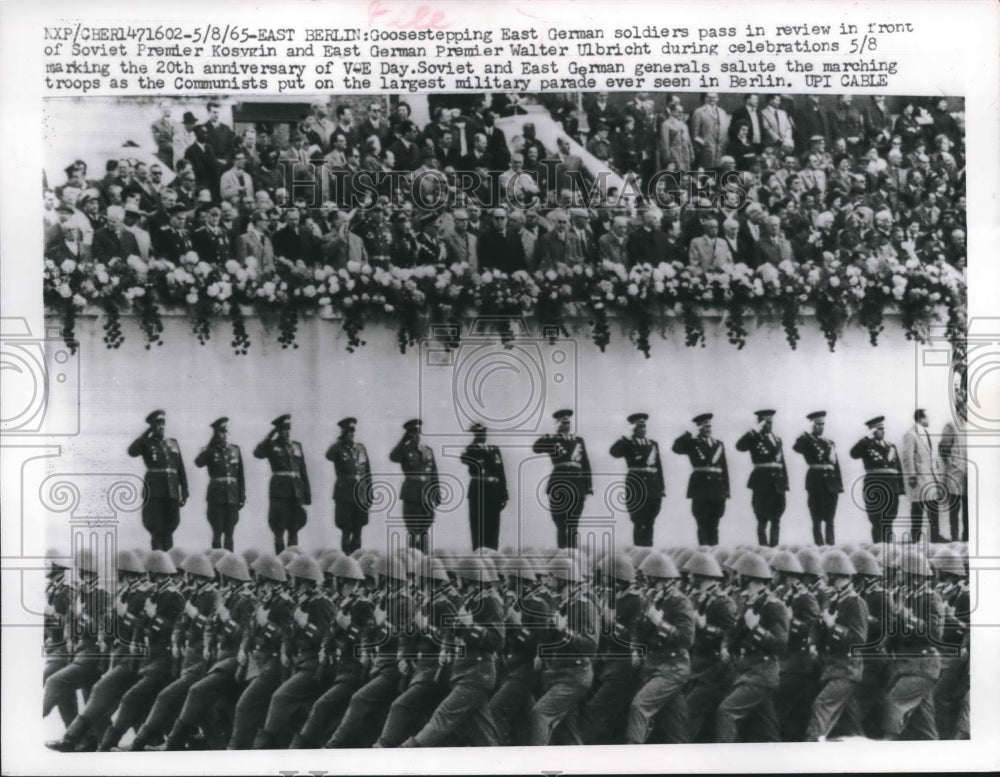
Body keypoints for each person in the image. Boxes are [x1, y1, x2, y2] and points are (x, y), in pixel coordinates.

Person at [715, 552, 789, 742]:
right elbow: (733, 631)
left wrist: (756, 627)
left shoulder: (774, 606)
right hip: (747, 671)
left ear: (749, 577)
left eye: (740, 574)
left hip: (762, 674)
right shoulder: (746, 601)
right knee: (765, 729)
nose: (737, 578)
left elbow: (780, 644)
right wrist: (725, 647)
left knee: (726, 712)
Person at [127, 410, 188, 551]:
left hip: (171, 493)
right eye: (157, 424)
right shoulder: (146, 443)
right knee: (156, 530)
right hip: (154, 493)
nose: (161, 427)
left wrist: (184, 490)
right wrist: (146, 433)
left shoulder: (173, 443)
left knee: (170, 529)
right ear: (152, 426)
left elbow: (180, 469)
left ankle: (168, 566)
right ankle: (158, 565)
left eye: (163, 424)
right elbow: (132, 451)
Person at [532, 409, 593, 549]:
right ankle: (562, 554)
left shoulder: (579, 441)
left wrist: (588, 487)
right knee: (560, 523)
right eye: (563, 423)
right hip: (559, 483)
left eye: (568, 422)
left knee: (574, 523)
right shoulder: (554, 440)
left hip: (578, 486)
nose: (566, 425)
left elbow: (586, 465)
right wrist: (549, 436)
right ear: (558, 424)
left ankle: (572, 554)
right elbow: (536, 448)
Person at [253, 414, 311, 554]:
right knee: (279, 530)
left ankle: (291, 562)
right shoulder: (272, 446)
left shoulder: (297, 446)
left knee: (294, 529)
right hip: (279, 494)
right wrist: (268, 437)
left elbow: (303, 470)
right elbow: (258, 453)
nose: (287, 432)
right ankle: (280, 562)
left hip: (296, 493)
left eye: (288, 429)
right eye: (283, 429)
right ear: (278, 431)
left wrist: (307, 494)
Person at [671, 413, 729, 546]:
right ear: (698, 428)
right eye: (704, 426)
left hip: (717, 490)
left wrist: (726, 490)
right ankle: (704, 554)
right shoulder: (692, 443)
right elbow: (676, 448)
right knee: (702, 524)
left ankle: (713, 554)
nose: (707, 428)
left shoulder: (718, 444)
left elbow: (724, 468)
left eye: (709, 426)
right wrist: (687, 434)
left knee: (714, 525)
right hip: (700, 489)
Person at [609, 413, 665, 547]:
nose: (642, 429)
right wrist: (624, 437)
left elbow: (659, 467)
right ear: (633, 428)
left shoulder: (653, 444)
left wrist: (661, 488)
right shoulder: (627, 443)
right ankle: (639, 552)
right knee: (639, 522)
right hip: (636, 486)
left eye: (644, 426)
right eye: (639, 426)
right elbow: (614, 452)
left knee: (650, 522)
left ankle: (648, 552)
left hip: (653, 487)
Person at [735, 409, 789, 547]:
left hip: (777, 484)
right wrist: (754, 431)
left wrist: (785, 483)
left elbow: (782, 463)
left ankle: (774, 548)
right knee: (762, 520)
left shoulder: (777, 439)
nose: (768, 425)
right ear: (759, 423)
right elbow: (740, 446)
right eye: (765, 422)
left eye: (770, 422)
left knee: (776, 520)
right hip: (761, 482)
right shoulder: (754, 438)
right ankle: (764, 549)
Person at [194, 417, 245, 551]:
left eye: (225, 432)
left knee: (230, 533)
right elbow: (198, 463)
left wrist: (242, 495)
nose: (224, 435)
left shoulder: (235, 450)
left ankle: (229, 569)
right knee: (217, 532)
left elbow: (240, 475)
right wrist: (209, 446)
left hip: (232, 497)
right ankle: (217, 568)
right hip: (216, 497)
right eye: (221, 432)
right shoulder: (210, 450)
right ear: (215, 434)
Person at [849, 416, 903, 543]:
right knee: (877, 520)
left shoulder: (891, 446)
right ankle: (879, 548)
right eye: (879, 429)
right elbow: (853, 454)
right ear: (872, 431)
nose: (882, 431)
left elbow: (898, 469)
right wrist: (865, 439)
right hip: (875, 485)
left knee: (889, 519)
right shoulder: (866, 444)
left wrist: (901, 488)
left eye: (883, 429)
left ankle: (889, 548)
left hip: (892, 486)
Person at [389, 419, 441, 553]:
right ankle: (413, 557)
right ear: (409, 435)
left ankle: (424, 557)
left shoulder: (427, 451)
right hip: (411, 494)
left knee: (425, 528)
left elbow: (434, 473)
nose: (417, 436)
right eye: (413, 433)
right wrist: (403, 440)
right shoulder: (405, 450)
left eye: (418, 433)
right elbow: (393, 457)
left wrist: (437, 492)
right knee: (412, 529)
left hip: (426, 495)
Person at [792, 411, 843, 546]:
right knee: (817, 519)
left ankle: (831, 545)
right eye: (818, 424)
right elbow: (796, 447)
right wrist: (805, 434)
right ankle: (820, 546)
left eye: (822, 424)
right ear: (812, 425)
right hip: (816, 482)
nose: (821, 427)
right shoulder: (806, 440)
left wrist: (839, 485)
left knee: (830, 519)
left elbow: (836, 465)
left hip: (831, 484)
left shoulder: (829, 443)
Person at [325, 417, 373, 555]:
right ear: (343, 433)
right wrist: (339, 441)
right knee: (346, 529)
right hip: (344, 494)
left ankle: (356, 557)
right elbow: (329, 455)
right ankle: (346, 557)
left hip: (360, 494)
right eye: (348, 432)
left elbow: (368, 472)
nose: (351, 434)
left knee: (358, 528)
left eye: (353, 431)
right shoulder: (339, 449)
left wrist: (370, 492)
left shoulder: (361, 448)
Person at [460, 423, 508, 551]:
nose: (482, 436)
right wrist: (475, 444)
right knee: (478, 526)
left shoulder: (494, 449)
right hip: (478, 491)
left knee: (493, 526)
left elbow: (501, 473)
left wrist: (504, 495)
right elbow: (464, 458)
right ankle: (479, 554)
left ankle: (492, 555)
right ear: (475, 435)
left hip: (494, 491)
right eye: (479, 434)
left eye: (483, 433)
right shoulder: (471, 450)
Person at [901, 409, 945, 543]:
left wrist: (937, 475)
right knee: (917, 507)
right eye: (927, 417)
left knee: (933, 506)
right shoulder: (911, 434)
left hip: (930, 477)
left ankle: (935, 535)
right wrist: (912, 476)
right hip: (919, 477)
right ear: (921, 418)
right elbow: (907, 457)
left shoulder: (926, 433)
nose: (929, 420)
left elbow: (931, 457)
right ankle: (915, 537)